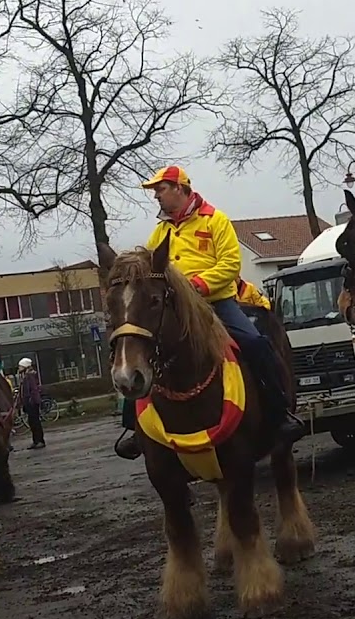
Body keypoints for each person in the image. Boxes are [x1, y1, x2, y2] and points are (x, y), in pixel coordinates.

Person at [112, 165, 305, 460]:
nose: (157, 197)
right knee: (141, 344)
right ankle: (135, 428)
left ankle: (280, 414)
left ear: (180, 188)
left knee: (256, 343)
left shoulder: (216, 221)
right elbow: (150, 270)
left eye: (160, 190)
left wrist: (197, 286)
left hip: (217, 302)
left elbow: (230, 265)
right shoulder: (160, 231)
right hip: (173, 308)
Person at [17, 357, 46, 449]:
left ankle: (40, 441)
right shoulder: (25, 376)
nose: (19, 368)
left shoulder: (30, 376)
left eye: (20, 366)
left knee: (35, 422)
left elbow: (33, 389)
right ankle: (36, 440)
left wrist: (32, 401)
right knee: (32, 422)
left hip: (32, 403)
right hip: (29, 403)